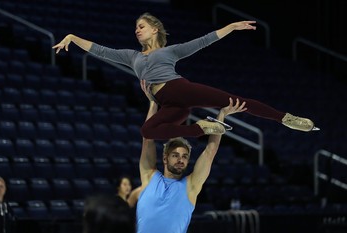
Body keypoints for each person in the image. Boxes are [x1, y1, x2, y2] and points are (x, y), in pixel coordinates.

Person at [53, 12, 318, 140]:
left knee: (234, 100)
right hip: (170, 104)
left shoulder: (170, 51)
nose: (137, 30)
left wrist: (232, 26)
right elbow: (101, 50)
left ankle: (285, 118)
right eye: (135, 28)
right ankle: (202, 127)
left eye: (141, 26)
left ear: (155, 29)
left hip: (178, 89)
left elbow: (203, 41)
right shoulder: (131, 56)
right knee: (148, 131)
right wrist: (73, 38)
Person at [135, 97, 246, 233]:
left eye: (184, 156)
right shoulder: (149, 176)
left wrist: (221, 115)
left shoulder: (191, 186)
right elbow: (147, 137)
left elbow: (209, 152)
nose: (180, 160)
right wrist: (153, 103)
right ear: (165, 158)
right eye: (175, 155)